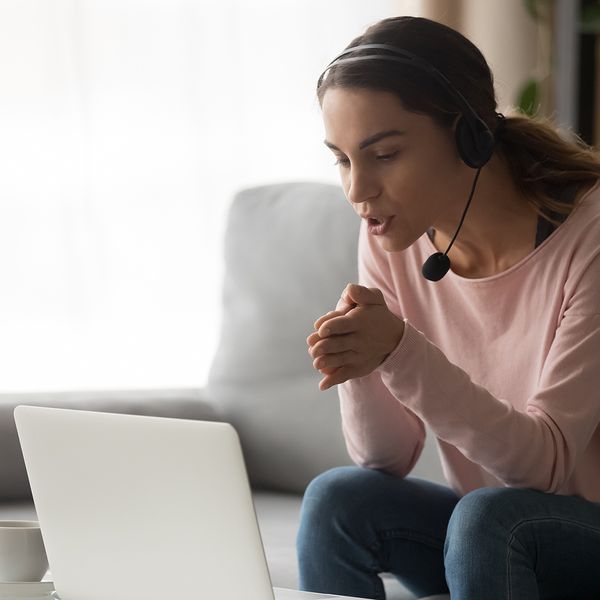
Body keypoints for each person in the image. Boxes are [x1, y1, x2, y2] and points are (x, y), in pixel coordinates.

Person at [296, 15, 600, 600]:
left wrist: (400, 351)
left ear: (469, 137)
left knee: (491, 517)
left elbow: (545, 466)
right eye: (342, 159)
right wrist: (362, 356)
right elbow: (383, 458)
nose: (358, 191)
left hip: (574, 533)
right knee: (339, 498)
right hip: (486, 542)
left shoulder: (589, 237)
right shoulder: (392, 232)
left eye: (383, 154)